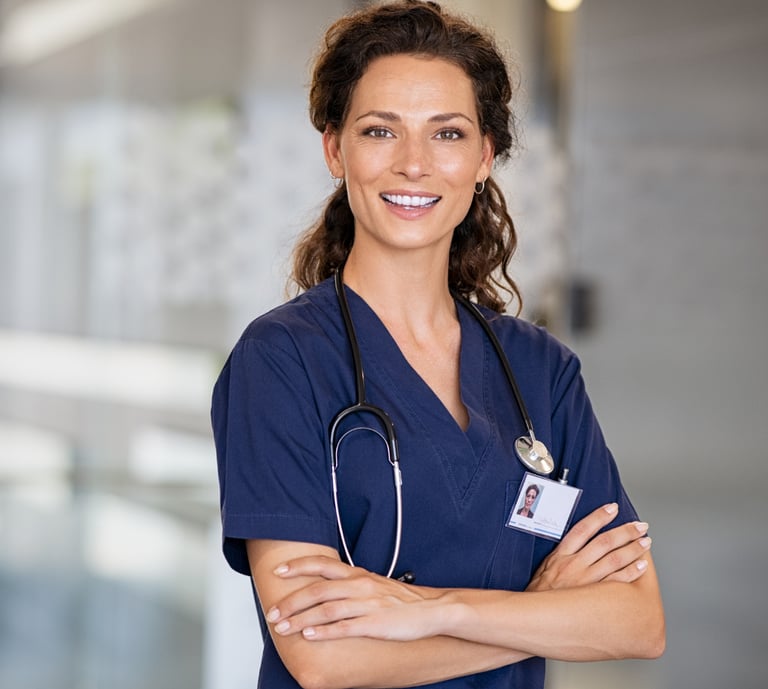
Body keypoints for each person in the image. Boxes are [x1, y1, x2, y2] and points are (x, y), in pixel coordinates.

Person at [211, 2, 665, 688]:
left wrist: (427, 609)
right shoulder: (281, 361)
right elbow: (323, 658)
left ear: (484, 156)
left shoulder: (541, 370)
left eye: (447, 133)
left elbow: (636, 621)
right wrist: (539, 611)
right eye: (379, 130)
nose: (414, 164)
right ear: (336, 150)